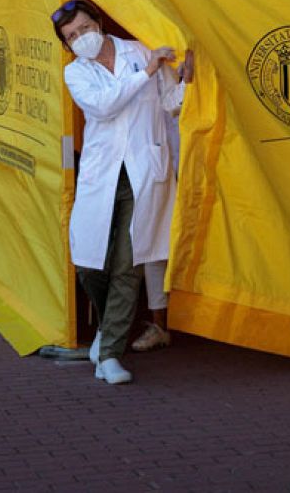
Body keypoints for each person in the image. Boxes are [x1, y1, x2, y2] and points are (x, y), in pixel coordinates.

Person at [53, 0, 180, 385]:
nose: (81, 39)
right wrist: (146, 74)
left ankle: (108, 355)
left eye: (84, 29)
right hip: (102, 175)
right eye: (71, 37)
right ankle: (111, 329)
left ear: (99, 21)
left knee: (129, 264)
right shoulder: (77, 73)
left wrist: (185, 80)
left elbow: (170, 104)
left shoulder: (140, 52)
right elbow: (104, 106)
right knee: (90, 261)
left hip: (143, 172)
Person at [134, 48, 193, 353]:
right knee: (153, 243)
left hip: (184, 157)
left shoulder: (168, 45)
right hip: (151, 162)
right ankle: (160, 324)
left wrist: (187, 81)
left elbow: (172, 101)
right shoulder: (137, 50)